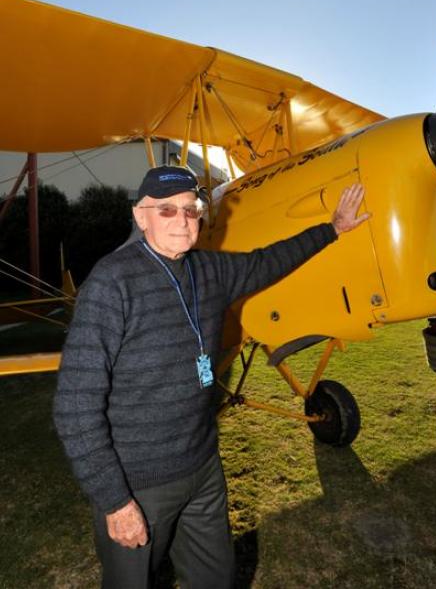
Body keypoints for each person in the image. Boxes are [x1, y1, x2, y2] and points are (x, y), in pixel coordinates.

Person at [53, 165, 370, 589]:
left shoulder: (209, 269)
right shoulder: (111, 284)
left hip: (202, 468)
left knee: (216, 578)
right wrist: (115, 501)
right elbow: (75, 407)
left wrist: (332, 229)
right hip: (139, 483)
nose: (182, 220)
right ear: (140, 216)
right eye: (166, 211)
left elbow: (268, 261)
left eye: (190, 209)